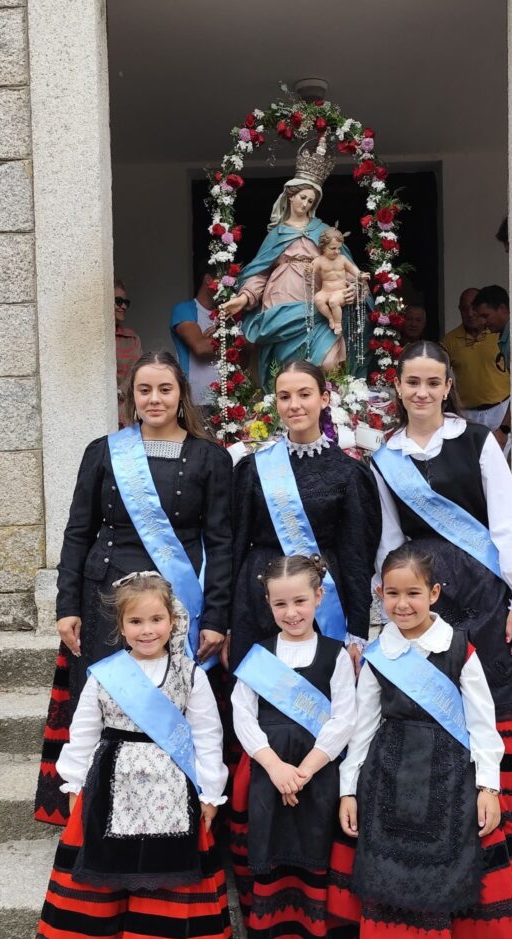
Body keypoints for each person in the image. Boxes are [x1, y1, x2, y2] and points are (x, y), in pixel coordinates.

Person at [370, 341, 512, 869]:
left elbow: (507, 521)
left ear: (446, 387)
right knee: (434, 688)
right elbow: (391, 536)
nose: (422, 391)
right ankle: (447, 783)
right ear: (398, 386)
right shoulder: (385, 458)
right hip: (425, 591)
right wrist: (389, 594)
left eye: (432, 383)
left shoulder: (478, 441)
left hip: (484, 591)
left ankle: (497, 790)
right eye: (412, 382)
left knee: (494, 683)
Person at [35, 350, 233, 825]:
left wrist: (219, 616)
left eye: (165, 389)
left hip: (176, 601)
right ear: (131, 396)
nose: (155, 398)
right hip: (105, 599)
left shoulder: (211, 458)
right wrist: (66, 605)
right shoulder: (103, 452)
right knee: (104, 704)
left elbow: (222, 541)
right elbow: (77, 532)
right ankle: (96, 814)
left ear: (181, 395)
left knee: (176, 702)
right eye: (145, 390)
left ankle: (177, 815)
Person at [330, 543, 512, 939]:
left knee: (465, 870)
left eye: (413, 592)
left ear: (434, 593)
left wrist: (489, 787)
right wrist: (349, 789)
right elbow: (362, 726)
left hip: (454, 776)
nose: (402, 603)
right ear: (379, 595)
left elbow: (482, 723)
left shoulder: (460, 648)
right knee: (414, 877)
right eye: (391, 594)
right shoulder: (378, 655)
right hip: (393, 780)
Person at [32, 573, 233, 939]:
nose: (147, 630)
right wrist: (73, 783)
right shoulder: (106, 675)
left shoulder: (190, 675)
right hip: (112, 785)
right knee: (115, 874)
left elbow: (207, 735)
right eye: (136, 621)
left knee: (171, 873)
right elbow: (83, 732)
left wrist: (211, 792)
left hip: (174, 787)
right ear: (121, 627)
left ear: (172, 621)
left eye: (156, 619)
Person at [231, 555, 358, 939]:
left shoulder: (336, 655)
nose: (292, 612)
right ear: (268, 604)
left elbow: (346, 718)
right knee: (275, 866)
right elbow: (243, 717)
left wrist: (306, 769)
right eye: (280, 603)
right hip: (270, 777)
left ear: (319, 598)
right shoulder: (258, 656)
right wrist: (275, 766)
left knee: (315, 866)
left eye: (301, 601)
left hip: (318, 776)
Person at [227, 359, 381, 676]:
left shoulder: (349, 473)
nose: (294, 405)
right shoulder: (254, 468)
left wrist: (358, 630)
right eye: (284, 396)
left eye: (304, 394)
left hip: (322, 598)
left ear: (324, 398)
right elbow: (235, 546)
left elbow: (357, 556)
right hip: (259, 596)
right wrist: (225, 622)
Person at [220, 143, 360, 385]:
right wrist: (243, 299)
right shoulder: (276, 235)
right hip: (281, 299)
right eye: (302, 197)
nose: (305, 204)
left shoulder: (324, 231)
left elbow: (341, 264)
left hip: (319, 302)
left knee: (327, 364)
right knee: (287, 369)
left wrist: (351, 288)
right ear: (290, 196)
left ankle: (329, 413)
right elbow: (259, 273)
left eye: (311, 200)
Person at [443, 288, 510, 432]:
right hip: (468, 414)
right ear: (459, 310)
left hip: (501, 409)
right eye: (465, 309)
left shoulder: (499, 332)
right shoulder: (449, 340)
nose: (470, 314)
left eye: (474, 309)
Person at [170, 270, 220, 414]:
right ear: (208, 279)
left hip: (227, 400)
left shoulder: (226, 317)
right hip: (195, 401)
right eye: (224, 280)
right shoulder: (184, 309)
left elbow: (246, 350)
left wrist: (222, 333)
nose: (230, 286)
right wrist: (226, 336)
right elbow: (200, 348)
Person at [471, 286, 512, 449]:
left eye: (486, 316)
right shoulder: (505, 337)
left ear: (502, 309)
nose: (483, 322)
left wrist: (504, 428)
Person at [310, 227, 369, 336]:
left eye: (339, 248)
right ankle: (331, 318)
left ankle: (338, 323)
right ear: (323, 247)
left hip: (341, 291)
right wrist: (308, 270)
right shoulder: (319, 261)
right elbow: (311, 270)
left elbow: (353, 269)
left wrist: (360, 275)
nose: (337, 251)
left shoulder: (342, 259)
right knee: (318, 299)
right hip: (325, 291)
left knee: (333, 301)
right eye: (333, 248)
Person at [114, 279, 142, 425]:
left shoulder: (131, 338)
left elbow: (137, 371)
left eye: (126, 302)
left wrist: (120, 391)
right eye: (118, 301)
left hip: (127, 414)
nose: (123, 306)